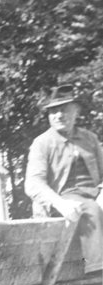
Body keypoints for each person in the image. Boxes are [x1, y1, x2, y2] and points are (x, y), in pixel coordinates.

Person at [25, 84, 103, 274]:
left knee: (94, 206)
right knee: (90, 210)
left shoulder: (90, 139)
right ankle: (98, 270)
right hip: (64, 201)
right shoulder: (42, 143)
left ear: (76, 111)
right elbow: (33, 183)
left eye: (65, 109)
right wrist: (60, 203)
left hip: (94, 196)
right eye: (54, 111)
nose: (59, 115)